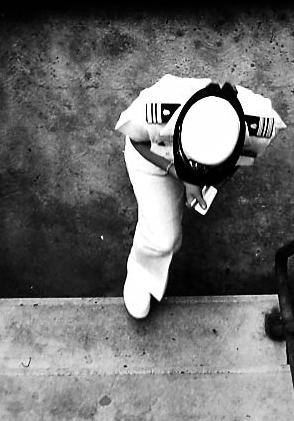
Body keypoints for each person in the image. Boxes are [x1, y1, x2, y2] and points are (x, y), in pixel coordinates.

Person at [115, 75, 285, 319]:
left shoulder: (259, 123)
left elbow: (241, 158)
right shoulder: (155, 107)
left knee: (170, 237)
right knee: (164, 239)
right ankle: (141, 276)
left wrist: (211, 180)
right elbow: (136, 141)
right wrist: (178, 173)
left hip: (184, 166)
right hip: (157, 159)